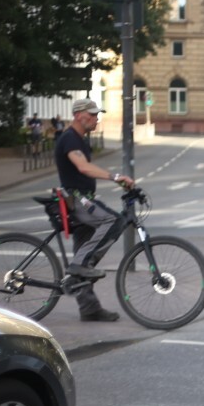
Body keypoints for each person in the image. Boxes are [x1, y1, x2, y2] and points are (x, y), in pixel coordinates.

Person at [54, 98, 136, 322]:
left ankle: (89, 308)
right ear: (79, 115)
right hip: (77, 200)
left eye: (97, 114)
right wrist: (116, 177)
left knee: (85, 248)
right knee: (113, 221)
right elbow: (83, 167)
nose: (96, 118)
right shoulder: (70, 138)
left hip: (83, 200)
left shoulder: (80, 140)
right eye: (92, 114)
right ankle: (78, 266)